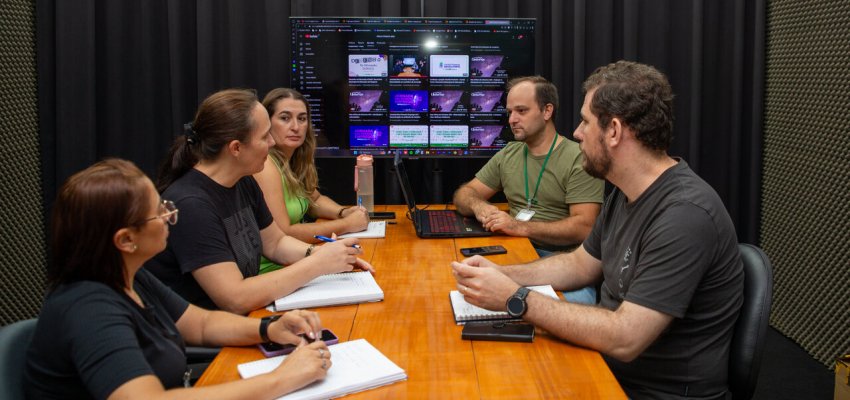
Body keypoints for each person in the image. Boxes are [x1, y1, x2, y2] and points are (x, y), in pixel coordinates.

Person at [451, 61, 744, 399]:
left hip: (653, 390)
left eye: (586, 122)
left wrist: (514, 298)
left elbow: (626, 337)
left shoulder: (685, 215)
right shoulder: (625, 192)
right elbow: (579, 265)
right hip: (606, 365)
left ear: (615, 131)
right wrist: (501, 274)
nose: (577, 132)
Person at [26, 159, 333, 399]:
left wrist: (270, 328)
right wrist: (282, 378)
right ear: (125, 240)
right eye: (159, 211)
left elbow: (201, 324)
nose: (170, 214)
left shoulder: (129, 275)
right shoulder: (89, 309)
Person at [146, 89, 373, 314]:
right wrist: (317, 264)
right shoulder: (191, 204)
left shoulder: (243, 181)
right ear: (236, 148)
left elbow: (275, 243)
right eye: (265, 137)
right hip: (215, 340)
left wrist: (325, 255)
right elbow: (235, 298)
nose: (273, 143)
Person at [453, 76, 604, 303]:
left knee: (576, 308)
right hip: (513, 252)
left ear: (547, 111)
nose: (512, 119)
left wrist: (518, 226)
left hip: (564, 262)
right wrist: (479, 206)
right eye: (510, 112)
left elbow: (584, 228)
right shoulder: (509, 153)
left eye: (521, 111)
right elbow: (464, 194)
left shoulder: (580, 158)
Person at [254, 88, 370, 274]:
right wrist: (347, 225)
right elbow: (284, 233)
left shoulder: (293, 160)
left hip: (295, 263)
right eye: (285, 118)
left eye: (302, 118)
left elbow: (314, 199)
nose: (295, 126)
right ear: (267, 123)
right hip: (274, 270)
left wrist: (344, 212)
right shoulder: (266, 164)